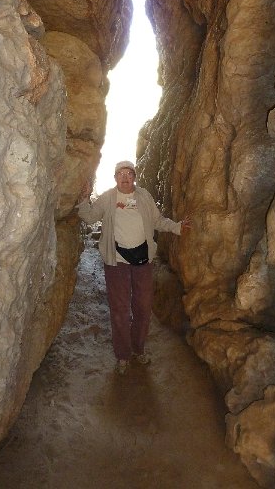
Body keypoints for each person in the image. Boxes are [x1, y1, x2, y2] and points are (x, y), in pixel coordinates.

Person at [77, 160, 191, 375]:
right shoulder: (108, 198)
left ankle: (138, 349)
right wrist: (83, 200)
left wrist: (177, 227)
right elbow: (91, 217)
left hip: (142, 261)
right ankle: (123, 355)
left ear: (134, 177)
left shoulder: (144, 196)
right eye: (120, 173)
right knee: (120, 310)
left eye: (129, 173)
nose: (125, 177)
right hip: (117, 262)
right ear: (115, 178)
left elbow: (157, 221)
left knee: (143, 307)